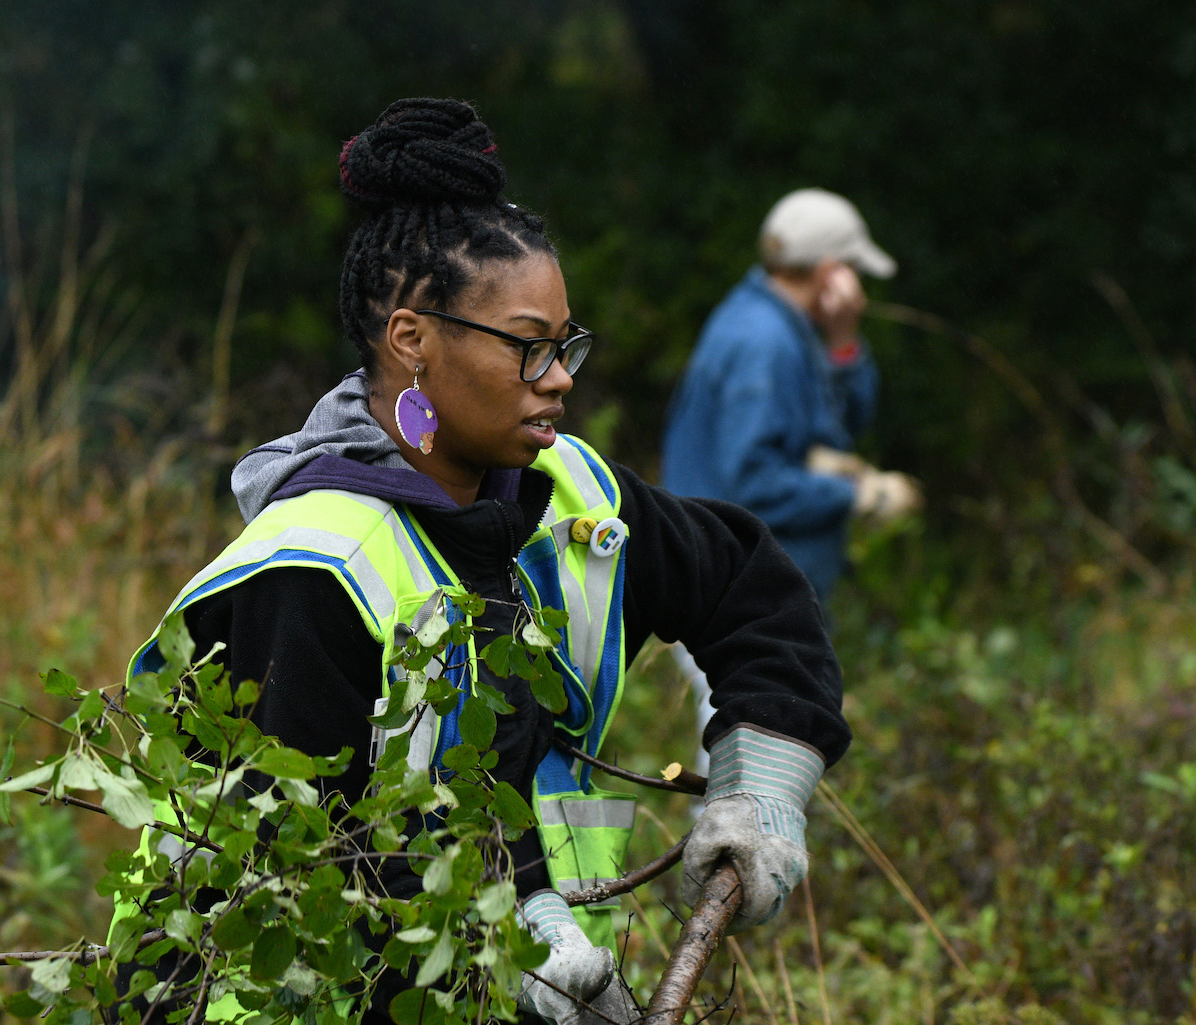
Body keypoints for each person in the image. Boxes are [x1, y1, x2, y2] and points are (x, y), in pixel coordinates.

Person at [115, 100, 850, 1024]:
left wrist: (764, 792)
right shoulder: (310, 573)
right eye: (529, 346)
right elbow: (323, 867)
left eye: (566, 344)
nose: (561, 377)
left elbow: (748, 582)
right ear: (412, 339)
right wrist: (517, 936)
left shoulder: (568, 491)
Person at [659, 188, 918, 775]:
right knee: (747, 759)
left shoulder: (774, 323)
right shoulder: (765, 344)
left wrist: (843, 341)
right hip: (730, 597)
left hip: (736, 587)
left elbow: (836, 428)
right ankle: (727, 868)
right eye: (853, 268)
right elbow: (753, 484)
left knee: (751, 749)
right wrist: (860, 495)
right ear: (831, 272)